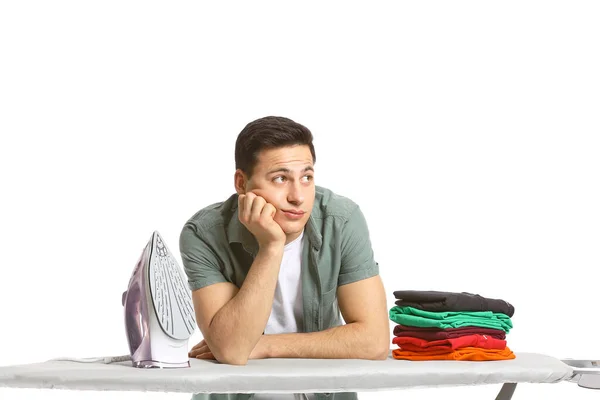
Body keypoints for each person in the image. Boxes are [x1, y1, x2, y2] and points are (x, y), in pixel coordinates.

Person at [179, 116, 390, 400]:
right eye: (280, 178)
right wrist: (271, 247)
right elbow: (232, 349)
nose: (298, 196)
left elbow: (374, 342)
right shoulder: (204, 233)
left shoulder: (341, 220)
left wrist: (267, 345)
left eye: (307, 177)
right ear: (242, 183)